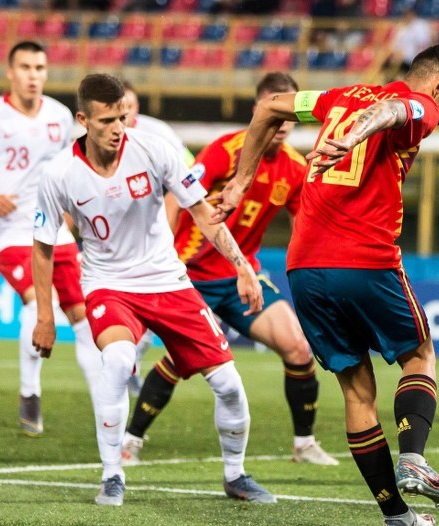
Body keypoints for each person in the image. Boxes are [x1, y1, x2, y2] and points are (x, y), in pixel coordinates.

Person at [211, 42, 439, 526]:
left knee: (356, 389)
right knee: (419, 355)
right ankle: (414, 459)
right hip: (364, 256)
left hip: (303, 266)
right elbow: (396, 109)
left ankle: (398, 517)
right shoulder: (421, 104)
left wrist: (241, 180)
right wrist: (357, 136)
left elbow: (269, 106)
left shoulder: (337, 95)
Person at [31, 73, 273, 507]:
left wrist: (242, 267)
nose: (118, 127)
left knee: (230, 385)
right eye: (107, 120)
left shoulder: (155, 149)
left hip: (168, 281)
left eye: (122, 116)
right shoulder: (58, 174)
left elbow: (202, 212)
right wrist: (45, 317)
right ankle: (112, 475)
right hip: (108, 285)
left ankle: (235, 476)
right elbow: (44, 246)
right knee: (120, 360)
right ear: (84, 119)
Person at [121, 72, 338, 467]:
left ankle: (304, 444)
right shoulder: (225, 150)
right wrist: (165, 255)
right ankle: (129, 441)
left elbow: (305, 223)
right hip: (190, 274)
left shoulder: (293, 167)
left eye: (290, 115)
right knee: (183, 358)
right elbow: (177, 195)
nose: (283, 124)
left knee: (298, 347)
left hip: (242, 278)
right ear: (259, 111)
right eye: (276, 113)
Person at [0, 40, 102, 436]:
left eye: (40, 68)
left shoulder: (59, 115)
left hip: (55, 230)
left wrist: (71, 212)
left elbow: (67, 169)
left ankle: (105, 405)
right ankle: (30, 394)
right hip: (10, 234)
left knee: (83, 317)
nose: (34, 75)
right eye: (26, 67)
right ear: (10, 73)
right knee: (39, 300)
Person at [121, 79, 194, 395]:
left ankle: (129, 363)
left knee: (151, 298)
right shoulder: (94, 138)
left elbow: (191, 171)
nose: (124, 114)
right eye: (118, 107)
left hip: (159, 232)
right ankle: (124, 362)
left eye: (130, 106)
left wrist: (171, 213)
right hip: (118, 233)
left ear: (137, 107)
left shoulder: (159, 134)